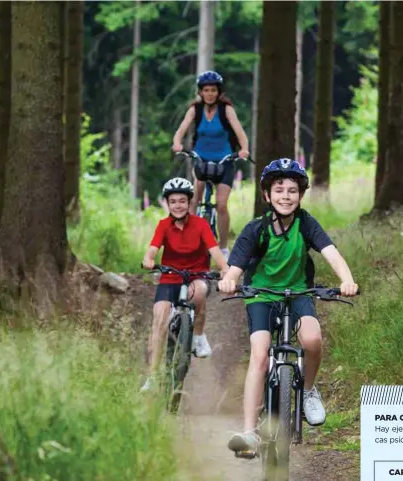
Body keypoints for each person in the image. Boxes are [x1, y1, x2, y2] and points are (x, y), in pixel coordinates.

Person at [217, 158, 359, 456]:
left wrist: (347, 280)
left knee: (312, 339)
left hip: (298, 293)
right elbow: (236, 267)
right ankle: (249, 432)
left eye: (292, 190)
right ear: (267, 195)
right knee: (260, 354)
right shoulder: (256, 228)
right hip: (262, 295)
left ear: (301, 195)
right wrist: (229, 280)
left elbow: (330, 252)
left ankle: (307, 390)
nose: (285, 196)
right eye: (278, 189)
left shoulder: (306, 223)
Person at [140, 177, 228, 392]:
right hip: (170, 277)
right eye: (173, 201)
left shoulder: (200, 224)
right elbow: (153, 248)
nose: (178, 205)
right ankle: (152, 376)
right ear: (167, 204)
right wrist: (148, 260)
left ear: (189, 202)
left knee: (199, 293)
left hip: (196, 275)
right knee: (159, 320)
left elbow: (214, 250)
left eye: (182, 201)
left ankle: (197, 335)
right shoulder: (164, 225)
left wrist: (225, 269)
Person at [171, 70, 250, 262]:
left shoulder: (226, 110)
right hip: (202, 161)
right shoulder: (195, 110)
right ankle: (187, 240)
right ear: (201, 92)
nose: (209, 94)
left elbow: (240, 132)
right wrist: (177, 143)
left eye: (213, 90)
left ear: (218, 91)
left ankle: (223, 247)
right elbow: (181, 129)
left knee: (221, 205)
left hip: (224, 162)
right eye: (206, 90)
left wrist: (244, 149)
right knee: (193, 201)